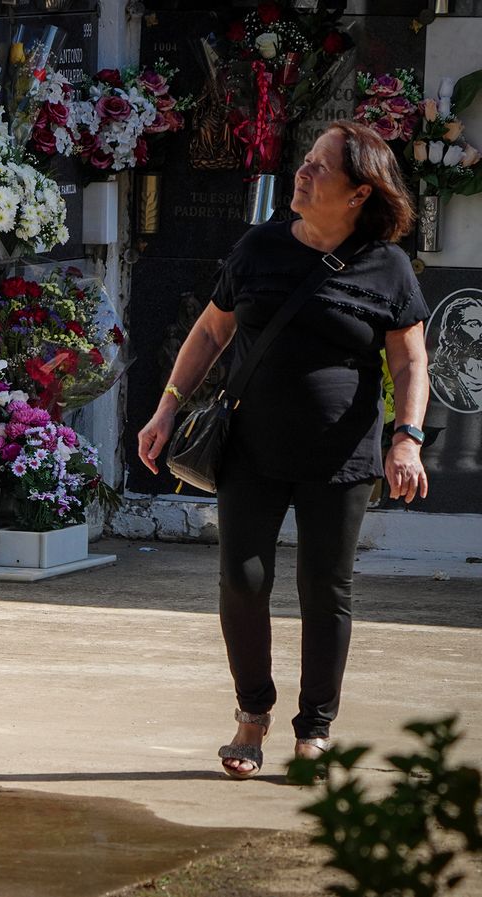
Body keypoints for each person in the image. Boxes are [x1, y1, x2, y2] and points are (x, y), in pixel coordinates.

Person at [138, 121, 432, 780]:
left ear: (359, 193)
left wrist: (406, 436)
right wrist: (165, 407)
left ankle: (316, 726)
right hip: (251, 449)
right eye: (306, 161)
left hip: (342, 457)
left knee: (324, 588)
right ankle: (253, 711)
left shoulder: (386, 266)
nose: (303, 173)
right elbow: (211, 331)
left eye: (320, 168)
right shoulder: (260, 246)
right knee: (242, 582)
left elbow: (411, 359)